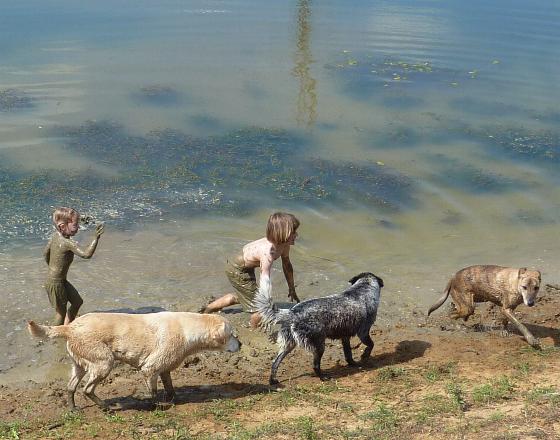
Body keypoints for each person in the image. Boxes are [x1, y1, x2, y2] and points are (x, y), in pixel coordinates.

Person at [202, 212, 301, 327]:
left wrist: (292, 288)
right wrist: (265, 303)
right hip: (237, 269)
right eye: (293, 232)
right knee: (259, 309)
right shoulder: (268, 251)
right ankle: (252, 331)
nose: (297, 235)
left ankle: (208, 309)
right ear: (283, 234)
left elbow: (287, 265)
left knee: (246, 296)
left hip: (241, 266)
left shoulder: (284, 245)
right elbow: (265, 278)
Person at [43, 207, 104, 325]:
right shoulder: (68, 243)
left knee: (77, 302)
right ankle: (54, 336)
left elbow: (45, 253)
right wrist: (96, 238)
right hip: (55, 283)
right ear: (62, 226)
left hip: (59, 280)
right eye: (75, 225)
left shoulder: (55, 236)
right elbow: (86, 255)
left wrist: (52, 268)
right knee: (60, 312)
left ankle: (68, 325)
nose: (78, 228)